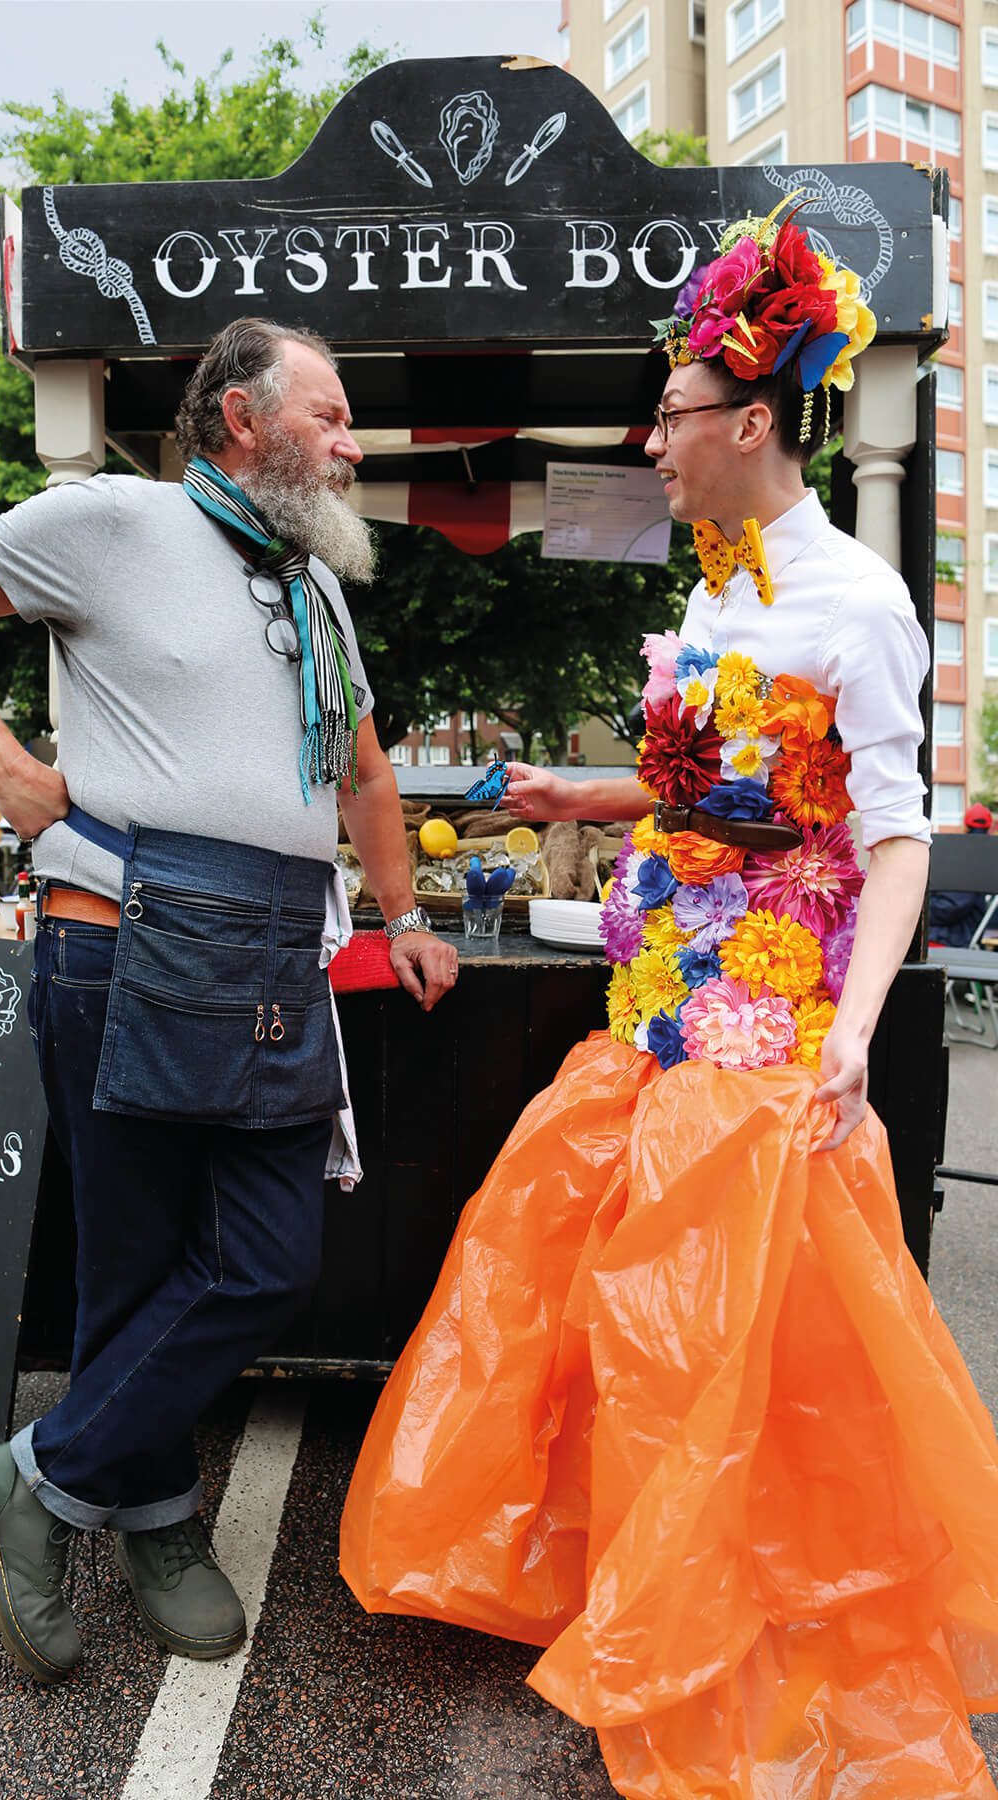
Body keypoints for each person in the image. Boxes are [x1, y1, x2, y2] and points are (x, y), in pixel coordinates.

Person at [341, 215, 998, 1797]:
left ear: (751, 423)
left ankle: (724, 1629)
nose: (652, 443)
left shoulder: (858, 603)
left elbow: (894, 837)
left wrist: (852, 1032)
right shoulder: (710, 594)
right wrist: (583, 791)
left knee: (724, 1358)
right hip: (660, 1016)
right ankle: (621, 1593)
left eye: (672, 416)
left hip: (771, 1050)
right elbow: (704, 795)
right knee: (610, 1321)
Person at [0, 317, 458, 1685]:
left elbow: (365, 775)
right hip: (123, 943)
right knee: (130, 1266)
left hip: (270, 957)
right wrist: (9, 771)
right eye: (331, 414)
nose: (354, 444)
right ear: (241, 417)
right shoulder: (116, 520)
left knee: (268, 1262)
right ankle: (158, 1522)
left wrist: (408, 914)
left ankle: (33, 1482)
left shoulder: (315, 587)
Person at [929, 801, 994, 948]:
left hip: (948, 939)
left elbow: (951, 907)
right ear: (989, 828)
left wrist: (920, 909)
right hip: (964, 935)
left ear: (965, 827)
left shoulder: (965, 857)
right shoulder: (987, 856)